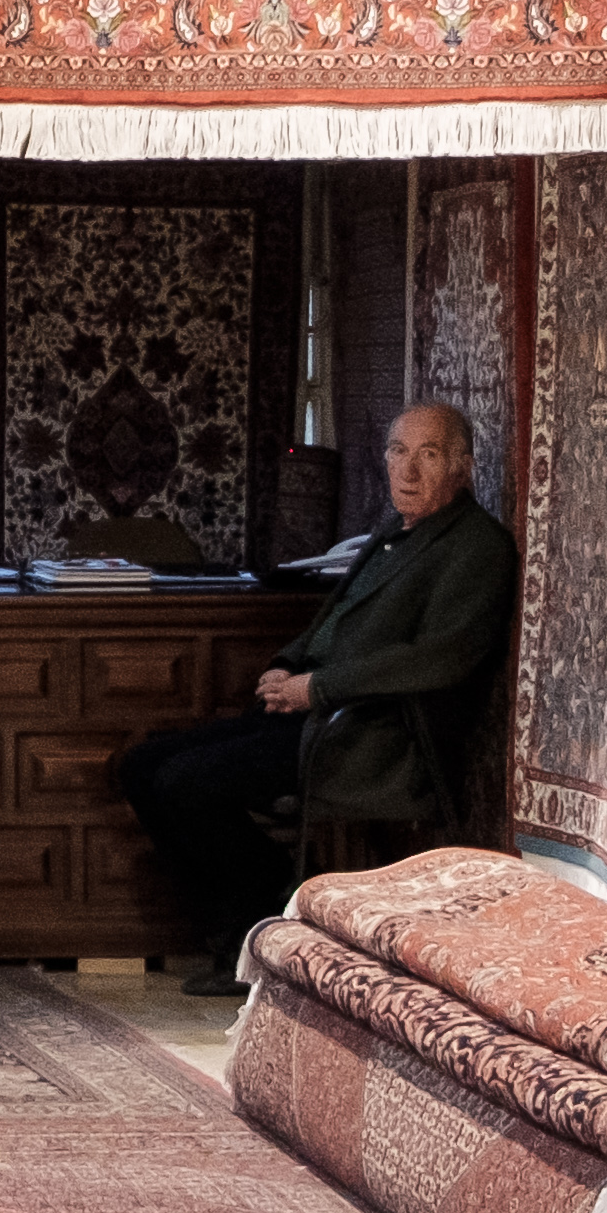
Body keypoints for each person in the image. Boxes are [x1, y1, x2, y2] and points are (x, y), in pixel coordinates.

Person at [113, 402, 520, 1000]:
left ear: (462, 467)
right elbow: (330, 622)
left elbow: (441, 656)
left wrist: (317, 688)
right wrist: (286, 663)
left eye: (428, 455)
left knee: (184, 783)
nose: (407, 469)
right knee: (142, 766)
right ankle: (253, 924)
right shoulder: (392, 533)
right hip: (317, 714)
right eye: (397, 451)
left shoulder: (478, 547)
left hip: (371, 733)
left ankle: (263, 926)